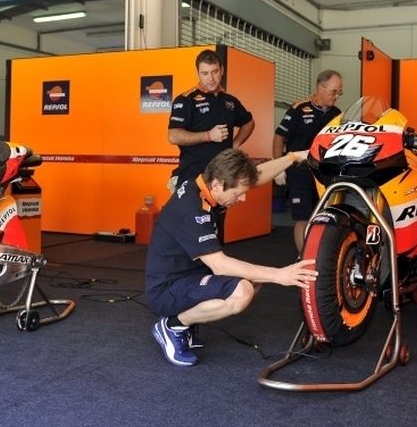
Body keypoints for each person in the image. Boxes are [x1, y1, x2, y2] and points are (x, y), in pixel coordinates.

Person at [145, 148, 319, 367]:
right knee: (242, 291)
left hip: (191, 274)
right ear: (217, 185)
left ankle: (186, 321)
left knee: (253, 279)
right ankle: (173, 325)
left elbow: (256, 176)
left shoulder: (206, 183)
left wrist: (293, 157)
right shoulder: (192, 209)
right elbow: (220, 266)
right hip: (166, 289)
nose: (243, 198)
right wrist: (280, 275)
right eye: (238, 193)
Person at [273, 69, 343, 251]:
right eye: (333, 92)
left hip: (325, 174)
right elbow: (279, 136)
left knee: (324, 217)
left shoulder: (337, 114)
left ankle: (321, 256)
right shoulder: (299, 109)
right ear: (320, 88)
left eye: (339, 92)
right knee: (302, 218)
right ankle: (303, 259)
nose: (336, 96)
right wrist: (278, 167)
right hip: (300, 172)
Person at [167, 49, 255, 191]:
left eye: (214, 72)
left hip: (223, 176)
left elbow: (249, 123)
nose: (211, 78)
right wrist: (208, 135)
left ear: (222, 70)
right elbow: (173, 136)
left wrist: (235, 144)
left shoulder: (230, 101)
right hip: (193, 176)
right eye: (205, 73)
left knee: (222, 207)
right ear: (198, 73)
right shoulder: (186, 100)